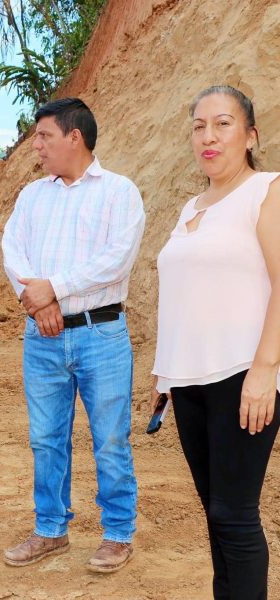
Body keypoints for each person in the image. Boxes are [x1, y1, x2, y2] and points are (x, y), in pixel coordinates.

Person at [1, 97, 145, 572]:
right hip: (41, 338)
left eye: (43, 136)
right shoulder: (32, 196)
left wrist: (53, 290)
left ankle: (118, 533)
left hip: (100, 334)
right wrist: (39, 301)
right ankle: (50, 529)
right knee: (45, 437)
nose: (36, 146)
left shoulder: (119, 192)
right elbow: (12, 251)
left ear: (74, 137)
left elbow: (116, 259)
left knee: (109, 439)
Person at [152, 85, 280, 600]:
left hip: (241, 375)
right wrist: (164, 374)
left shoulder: (266, 190)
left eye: (223, 123)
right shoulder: (192, 205)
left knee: (235, 513)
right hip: (189, 381)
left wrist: (264, 370)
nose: (209, 136)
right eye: (199, 125)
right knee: (216, 512)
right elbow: (185, 292)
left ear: (249, 135)